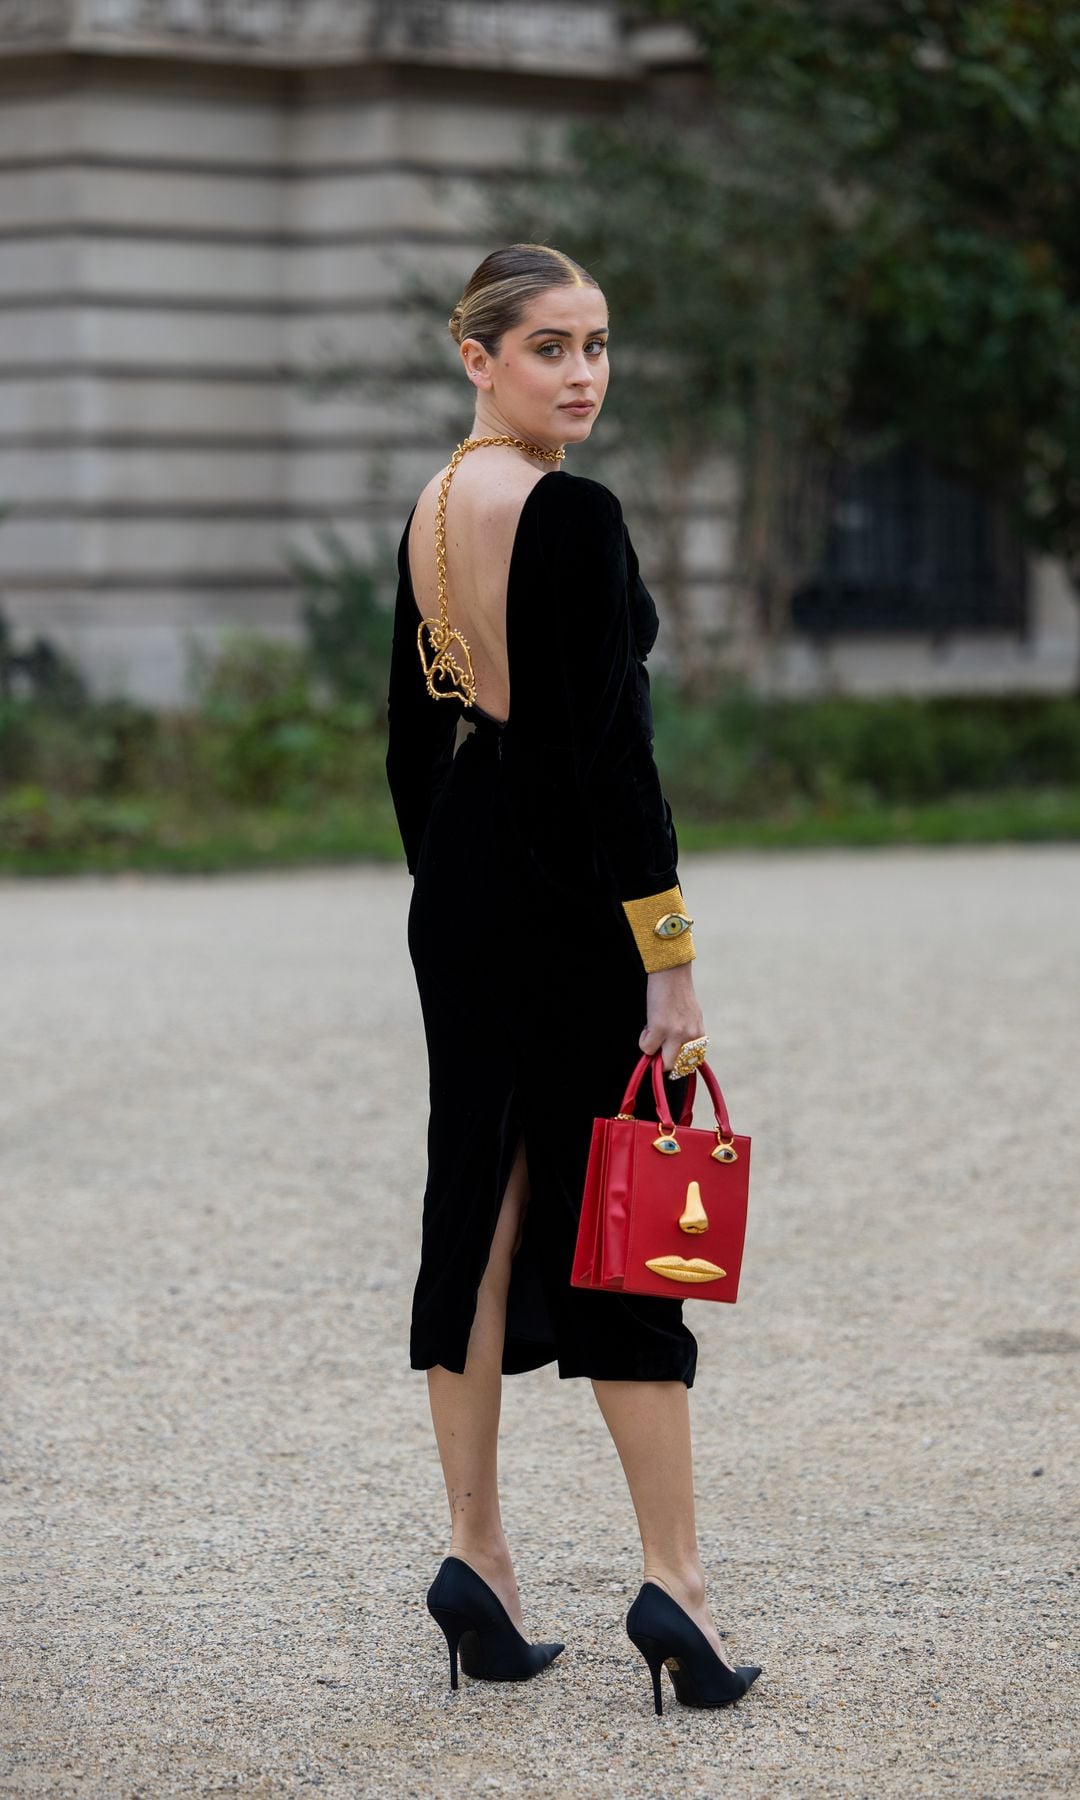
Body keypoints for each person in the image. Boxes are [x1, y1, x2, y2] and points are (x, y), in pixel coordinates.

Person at [384, 243, 760, 1714]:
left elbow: (411, 745)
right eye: (550, 346)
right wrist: (667, 956)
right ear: (474, 355)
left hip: (467, 880)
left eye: (599, 343)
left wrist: (450, 883)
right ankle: (677, 1589)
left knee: (478, 1205)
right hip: (572, 894)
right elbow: (613, 756)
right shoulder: (569, 514)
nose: (585, 372)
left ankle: (476, 1559)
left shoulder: (427, 511)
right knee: (627, 1212)